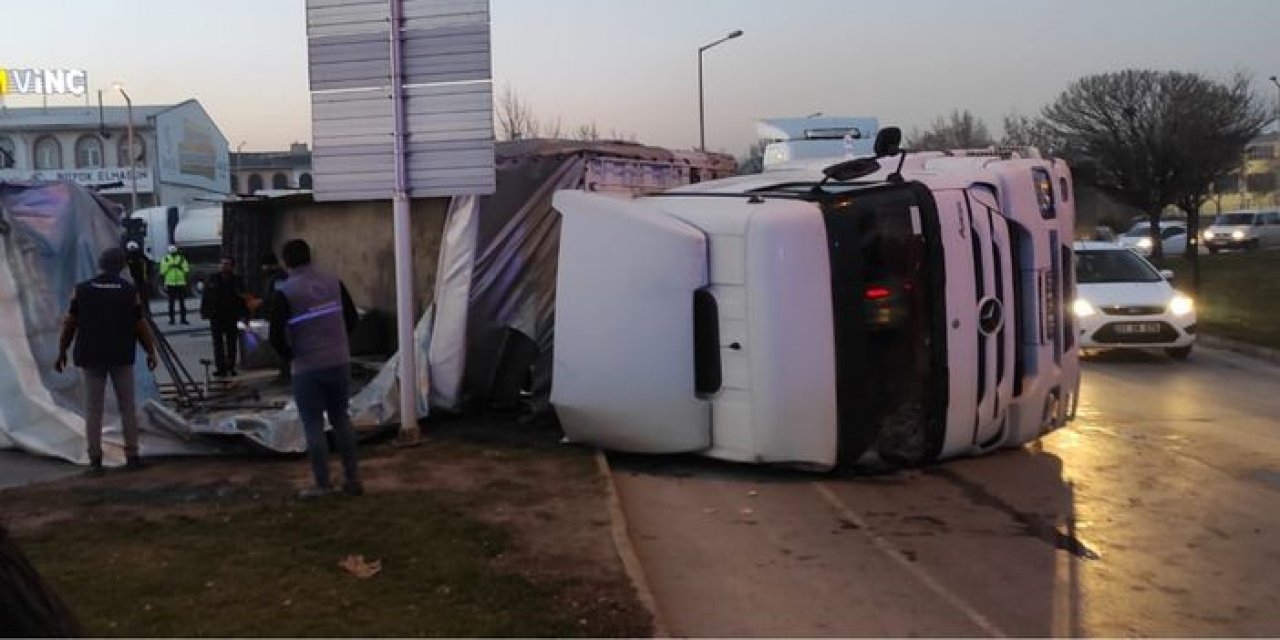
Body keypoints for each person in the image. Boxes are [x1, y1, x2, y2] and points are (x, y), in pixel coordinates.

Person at [268, 239, 363, 498]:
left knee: (312, 424)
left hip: (308, 366)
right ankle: (353, 479)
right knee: (341, 419)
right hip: (339, 361)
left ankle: (322, 484)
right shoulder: (334, 281)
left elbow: (275, 336)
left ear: (286, 261)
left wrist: (291, 357)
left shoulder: (286, 291)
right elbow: (352, 319)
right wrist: (337, 342)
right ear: (310, 256)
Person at [54, 247, 158, 475]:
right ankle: (132, 456)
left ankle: (95, 461)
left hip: (91, 355)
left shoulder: (82, 290)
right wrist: (150, 351)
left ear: (100, 264)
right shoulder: (129, 291)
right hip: (121, 354)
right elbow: (140, 325)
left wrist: (62, 351)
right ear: (122, 266)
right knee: (127, 406)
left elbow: (70, 323)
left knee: (93, 408)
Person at [201, 256, 249, 378]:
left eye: (226, 264)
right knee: (218, 344)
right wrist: (204, 312)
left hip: (231, 315)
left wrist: (245, 315)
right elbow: (206, 296)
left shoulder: (236, 280)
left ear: (232, 267)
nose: (223, 266)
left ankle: (231, 367)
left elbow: (243, 299)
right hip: (216, 315)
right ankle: (220, 368)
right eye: (222, 263)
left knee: (231, 343)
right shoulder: (213, 279)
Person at [259, 252, 291, 381]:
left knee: (280, 342)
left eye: (264, 266)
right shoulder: (273, 277)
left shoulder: (279, 278)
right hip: (275, 315)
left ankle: (286, 372)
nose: (262, 269)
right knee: (278, 343)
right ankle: (283, 371)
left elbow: (279, 296)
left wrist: (264, 302)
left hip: (280, 317)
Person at [158, 244, 191, 325]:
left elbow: (186, 269)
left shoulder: (181, 258)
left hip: (180, 283)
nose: (173, 253)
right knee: (171, 303)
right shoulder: (165, 259)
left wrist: (179, 267)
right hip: (170, 283)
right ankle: (172, 320)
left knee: (182, 303)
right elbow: (162, 271)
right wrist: (171, 266)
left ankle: (183, 319)